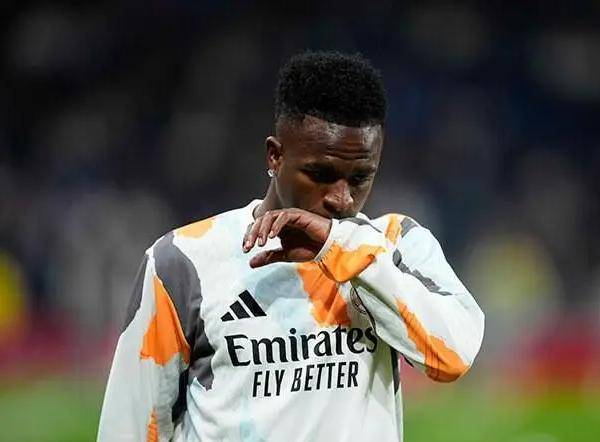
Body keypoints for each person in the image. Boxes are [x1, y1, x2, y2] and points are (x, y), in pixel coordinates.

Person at [98, 50, 485, 442]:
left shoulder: (393, 245)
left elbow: (453, 356)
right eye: (320, 174)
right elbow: (127, 429)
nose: (342, 199)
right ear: (275, 156)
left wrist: (343, 249)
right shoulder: (183, 261)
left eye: (360, 178)